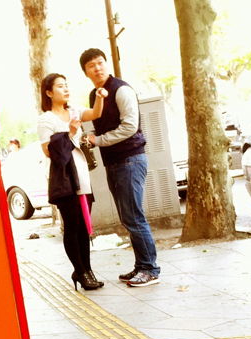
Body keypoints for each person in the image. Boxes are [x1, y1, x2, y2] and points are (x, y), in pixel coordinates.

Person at [80, 48, 161, 287]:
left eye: (100, 62)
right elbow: (106, 126)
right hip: (114, 161)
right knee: (128, 217)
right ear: (86, 72)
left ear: (106, 64)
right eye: (91, 66)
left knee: (134, 217)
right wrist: (93, 136)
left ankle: (151, 269)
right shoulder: (94, 94)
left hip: (130, 159)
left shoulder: (121, 89)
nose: (97, 68)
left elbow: (129, 127)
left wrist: (98, 140)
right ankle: (141, 265)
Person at [37, 73, 107, 291]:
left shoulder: (75, 111)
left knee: (84, 225)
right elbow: (49, 151)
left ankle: (87, 270)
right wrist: (70, 133)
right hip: (64, 178)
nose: (65, 89)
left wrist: (100, 96)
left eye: (66, 85)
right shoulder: (46, 119)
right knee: (72, 225)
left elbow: (95, 113)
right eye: (60, 86)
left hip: (82, 174)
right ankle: (80, 270)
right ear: (49, 92)